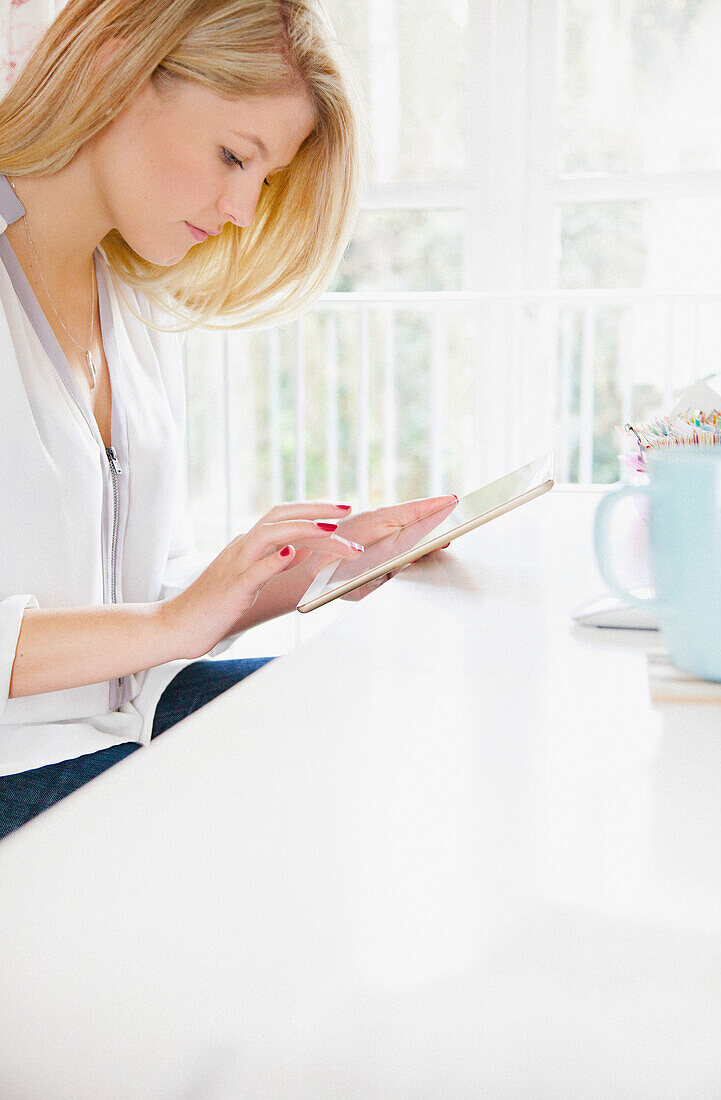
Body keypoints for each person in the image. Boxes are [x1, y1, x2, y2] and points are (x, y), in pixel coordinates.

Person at [0, 0, 454, 839]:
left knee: (376, 708)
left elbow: (144, 608)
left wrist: (302, 570)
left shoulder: (127, 303)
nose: (243, 208)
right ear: (112, 70)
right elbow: (158, 625)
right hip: (15, 769)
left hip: (117, 733)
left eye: (265, 180)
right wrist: (172, 622)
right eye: (232, 156)